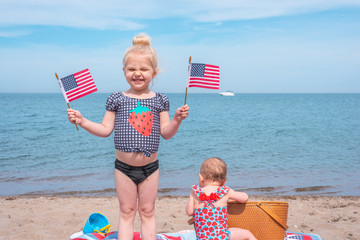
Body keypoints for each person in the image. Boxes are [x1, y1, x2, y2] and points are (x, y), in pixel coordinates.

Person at [67, 33, 190, 240]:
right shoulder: (117, 98)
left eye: (144, 69)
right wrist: (82, 120)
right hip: (123, 168)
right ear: (124, 71)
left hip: (151, 168)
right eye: (132, 69)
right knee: (126, 212)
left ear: (154, 71)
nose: (137, 73)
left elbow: (166, 133)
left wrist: (177, 119)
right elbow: (105, 129)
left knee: (148, 212)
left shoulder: (160, 100)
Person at [186, 157, 257, 240]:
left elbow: (189, 212)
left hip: (202, 238)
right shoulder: (225, 191)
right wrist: (232, 200)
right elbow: (244, 198)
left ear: (201, 178)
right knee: (247, 234)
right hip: (222, 237)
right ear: (224, 182)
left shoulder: (195, 193)